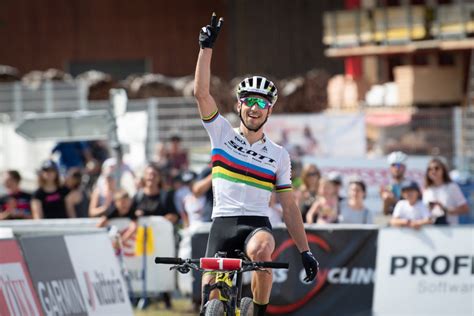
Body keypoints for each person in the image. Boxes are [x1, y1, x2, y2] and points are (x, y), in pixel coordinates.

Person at [194, 13, 318, 315]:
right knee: (208, 300)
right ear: (239, 104)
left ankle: (259, 311)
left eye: (262, 103)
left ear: (270, 110)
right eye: (249, 100)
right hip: (221, 224)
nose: (255, 107)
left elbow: (289, 208)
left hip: (256, 225)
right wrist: (205, 49)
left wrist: (305, 251)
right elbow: (201, 93)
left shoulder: (278, 154)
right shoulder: (221, 133)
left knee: (262, 252)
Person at [422, 158, 469, 225]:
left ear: (443, 170)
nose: (433, 171)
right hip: (431, 230)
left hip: (449, 229)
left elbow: (465, 209)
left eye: (436, 168)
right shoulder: (427, 189)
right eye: (430, 169)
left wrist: (445, 209)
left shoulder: (452, 187)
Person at [380, 151, 408, 215]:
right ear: (390, 167)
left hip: (406, 215)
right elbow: (385, 200)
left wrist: (394, 199)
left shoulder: (409, 184)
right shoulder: (385, 183)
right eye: (393, 165)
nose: (397, 168)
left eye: (399, 165)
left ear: (404, 167)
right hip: (390, 215)